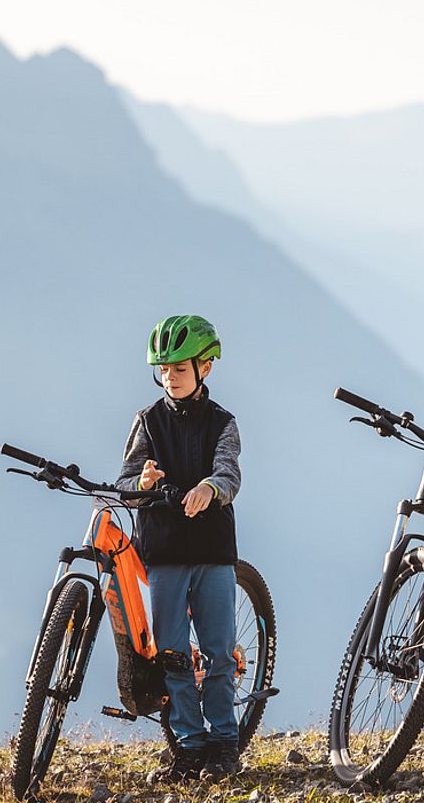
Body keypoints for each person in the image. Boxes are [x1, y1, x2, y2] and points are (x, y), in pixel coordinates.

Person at [116, 315, 246, 783]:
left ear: (205, 368)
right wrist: (142, 483)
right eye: (163, 370)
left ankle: (224, 744)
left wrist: (210, 489)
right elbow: (126, 482)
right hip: (164, 553)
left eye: (179, 369)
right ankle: (189, 746)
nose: (169, 377)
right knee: (171, 654)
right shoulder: (146, 421)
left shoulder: (224, 423)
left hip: (212, 552)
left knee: (217, 653)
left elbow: (229, 473)